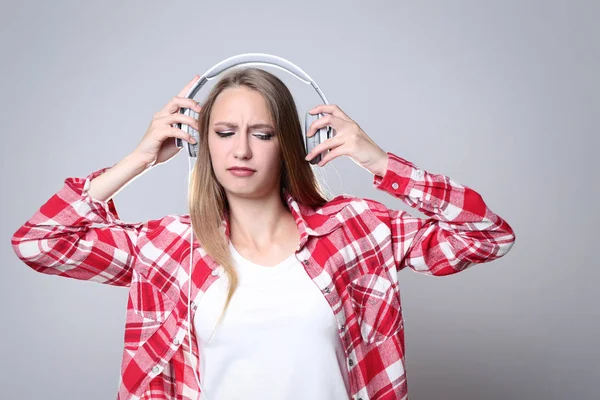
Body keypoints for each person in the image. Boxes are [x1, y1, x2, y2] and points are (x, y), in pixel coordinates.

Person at [11, 67, 516, 400]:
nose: (242, 152)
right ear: (201, 145)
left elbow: (487, 234)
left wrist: (378, 161)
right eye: (225, 133)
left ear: (289, 146)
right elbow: (38, 243)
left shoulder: (355, 229)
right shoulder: (168, 248)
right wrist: (139, 158)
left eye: (264, 134)